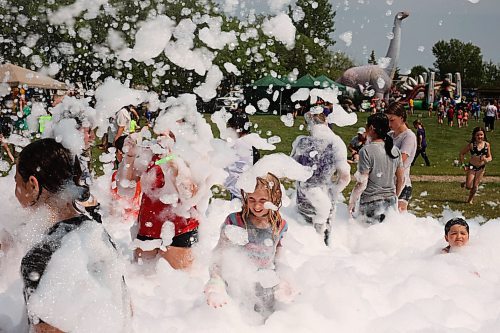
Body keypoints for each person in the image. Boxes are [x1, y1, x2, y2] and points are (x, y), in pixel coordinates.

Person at [16, 138, 130, 332]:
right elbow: (126, 311)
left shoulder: (40, 258)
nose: (15, 192)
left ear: (33, 185)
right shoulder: (96, 233)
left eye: (17, 182)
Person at [205, 173, 288, 319]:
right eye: (251, 199)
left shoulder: (280, 225)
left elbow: (279, 258)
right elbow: (219, 255)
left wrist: (286, 280)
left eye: (263, 200)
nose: (256, 206)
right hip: (238, 286)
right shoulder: (235, 222)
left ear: (274, 198)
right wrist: (215, 283)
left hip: (266, 289)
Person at [125, 132, 200, 270]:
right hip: (148, 227)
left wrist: (174, 163)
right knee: (141, 284)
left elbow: (192, 194)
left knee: (181, 285)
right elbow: (126, 187)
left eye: (170, 131)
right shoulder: (149, 153)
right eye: (160, 132)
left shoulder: (190, 152)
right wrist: (129, 157)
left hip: (181, 229)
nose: (162, 136)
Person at [291, 110, 350, 245]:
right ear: (326, 122)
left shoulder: (301, 142)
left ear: (309, 125)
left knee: (304, 243)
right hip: (325, 202)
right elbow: (345, 177)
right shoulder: (336, 143)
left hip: (303, 201)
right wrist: (334, 191)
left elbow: (291, 168)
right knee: (323, 241)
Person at [349, 113, 404, 224]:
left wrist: (352, 202)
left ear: (371, 128)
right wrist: (395, 196)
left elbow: (362, 182)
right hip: (390, 202)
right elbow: (401, 179)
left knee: (368, 238)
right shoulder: (395, 150)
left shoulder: (366, 151)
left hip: (371, 203)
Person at [385, 102, 417, 212]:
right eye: (388, 120)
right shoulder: (389, 135)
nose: (389, 124)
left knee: (398, 218)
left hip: (402, 183)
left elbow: (401, 160)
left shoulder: (409, 136)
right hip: (387, 183)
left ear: (402, 118)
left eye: (392, 120)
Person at [458, 127, 493, 204]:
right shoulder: (471, 145)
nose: (480, 137)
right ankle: (466, 183)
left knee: (475, 186)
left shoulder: (487, 145)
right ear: (474, 136)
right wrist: (463, 165)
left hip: (481, 168)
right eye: (477, 135)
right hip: (472, 167)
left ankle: (470, 200)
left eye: (481, 135)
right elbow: (461, 154)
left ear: (484, 135)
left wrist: (487, 160)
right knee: (468, 186)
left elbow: (490, 157)